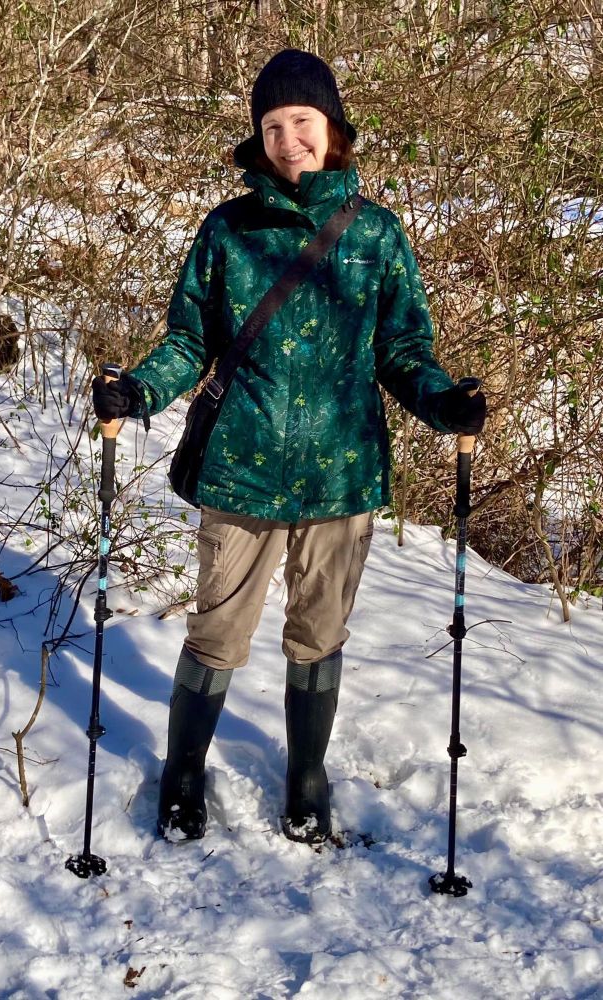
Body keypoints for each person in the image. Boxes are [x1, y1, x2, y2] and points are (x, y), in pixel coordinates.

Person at [92, 49, 486, 845]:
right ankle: (183, 771)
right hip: (242, 470)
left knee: (319, 634)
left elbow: (404, 350)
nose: (287, 139)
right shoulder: (227, 231)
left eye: (300, 122)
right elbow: (187, 341)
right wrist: (136, 390)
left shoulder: (376, 234)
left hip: (341, 478)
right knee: (218, 632)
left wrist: (444, 403)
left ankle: (307, 777)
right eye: (272, 126)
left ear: (331, 129)